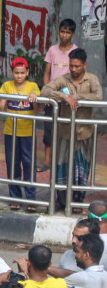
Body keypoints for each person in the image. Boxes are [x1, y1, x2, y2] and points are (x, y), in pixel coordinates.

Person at [41, 48, 102, 210]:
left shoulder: (92, 79)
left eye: (77, 66)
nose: (74, 70)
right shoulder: (64, 79)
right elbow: (45, 90)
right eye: (71, 66)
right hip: (65, 132)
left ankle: (76, 202)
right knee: (61, 165)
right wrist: (64, 96)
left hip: (84, 132)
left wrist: (77, 97)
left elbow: (98, 96)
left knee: (81, 168)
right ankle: (61, 201)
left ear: (84, 65)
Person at [0, 56, 42, 208]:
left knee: (28, 165)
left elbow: (36, 107)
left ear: (27, 72)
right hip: (10, 131)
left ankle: (30, 199)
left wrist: (35, 97)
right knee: (12, 164)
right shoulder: (7, 85)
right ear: (12, 72)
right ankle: (15, 198)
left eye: (22, 72)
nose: (19, 76)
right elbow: (1, 109)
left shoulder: (33, 86)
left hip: (28, 132)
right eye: (16, 72)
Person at [40, 19, 77, 172]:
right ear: (58, 31)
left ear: (72, 34)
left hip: (67, 98)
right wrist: (48, 93)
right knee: (49, 129)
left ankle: (64, 163)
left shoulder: (75, 51)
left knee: (66, 130)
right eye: (62, 31)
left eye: (68, 32)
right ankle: (47, 162)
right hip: (52, 97)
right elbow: (47, 73)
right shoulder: (52, 50)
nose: (65, 35)